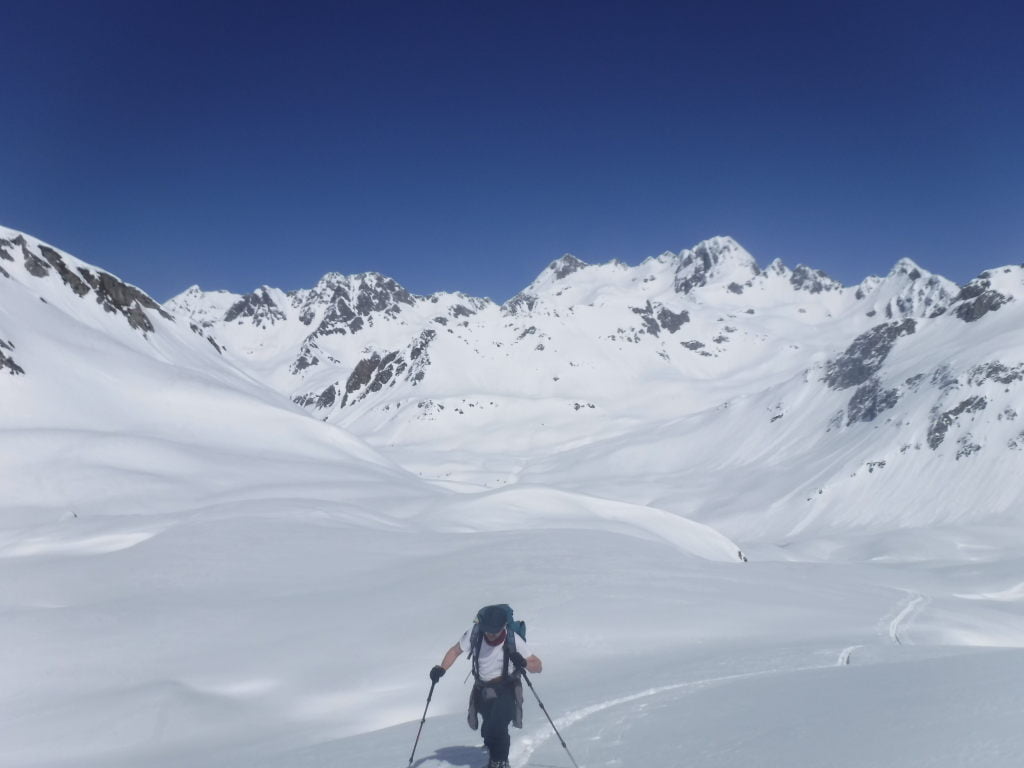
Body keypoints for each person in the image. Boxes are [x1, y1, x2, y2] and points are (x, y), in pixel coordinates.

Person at [430, 605, 543, 768]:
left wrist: (524, 662)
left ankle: (500, 762)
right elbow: (455, 651)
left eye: (494, 631)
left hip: (507, 688)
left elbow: (538, 666)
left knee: (498, 726)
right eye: (487, 630)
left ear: (503, 627)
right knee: (488, 727)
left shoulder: (513, 639)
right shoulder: (475, 633)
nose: (490, 634)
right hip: (481, 689)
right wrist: (441, 669)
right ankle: (492, 749)